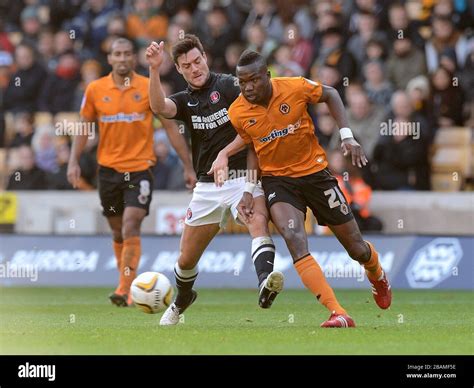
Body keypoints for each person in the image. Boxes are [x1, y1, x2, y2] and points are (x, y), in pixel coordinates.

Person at [213, 50, 392, 328]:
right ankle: (337, 312)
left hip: (316, 175)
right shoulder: (237, 111)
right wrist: (249, 187)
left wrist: (346, 135)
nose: (247, 87)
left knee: (356, 248)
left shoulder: (294, 87)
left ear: (267, 76)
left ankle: (377, 273)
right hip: (278, 181)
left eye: (253, 80)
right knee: (294, 236)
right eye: (242, 81)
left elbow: (331, 93)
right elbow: (253, 146)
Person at [146, 35, 284, 326]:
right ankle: (183, 298)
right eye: (187, 65)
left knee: (256, 219)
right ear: (180, 70)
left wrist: (246, 181)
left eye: (198, 61)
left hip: (241, 176)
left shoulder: (229, 86)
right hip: (207, 187)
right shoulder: (185, 101)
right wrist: (154, 70)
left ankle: (264, 282)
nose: (195, 68)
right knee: (185, 259)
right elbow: (159, 108)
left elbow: (253, 127)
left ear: (205, 57)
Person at [67, 38, 197, 307]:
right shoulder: (95, 89)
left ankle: (125, 288)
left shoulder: (147, 87)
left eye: (128, 54)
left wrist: (187, 165)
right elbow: (84, 126)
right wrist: (73, 161)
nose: (123, 58)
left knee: (131, 223)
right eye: (118, 54)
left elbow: (171, 128)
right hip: (108, 170)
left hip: (140, 169)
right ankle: (125, 281)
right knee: (117, 232)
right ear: (110, 58)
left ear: (133, 58)